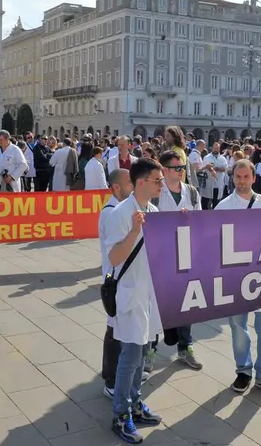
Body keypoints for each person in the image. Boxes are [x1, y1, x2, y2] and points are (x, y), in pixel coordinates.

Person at [215, 159, 261, 395]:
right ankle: (243, 371)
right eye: (238, 177)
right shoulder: (223, 207)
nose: (242, 181)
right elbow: (212, 242)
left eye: (246, 177)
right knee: (238, 326)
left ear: (254, 179)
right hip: (236, 277)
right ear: (232, 178)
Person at [104, 158, 164, 443]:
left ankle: (136, 404)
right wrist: (132, 233)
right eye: (157, 180)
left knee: (142, 355)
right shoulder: (120, 212)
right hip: (129, 294)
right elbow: (113, 258)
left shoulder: (152, 209)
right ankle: (120, 414)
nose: (162, 185)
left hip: (148, 293)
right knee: (129, 358)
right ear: (141, 182)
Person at [145, 150, 204, 372]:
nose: (181, 172)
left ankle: (185, 347)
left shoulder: (192, 192)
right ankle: (150, 350)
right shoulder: (156, 194)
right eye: (177, 168)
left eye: (182, 168)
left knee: (186, 305)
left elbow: (201, 222)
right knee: (157, 306)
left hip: (186, 256)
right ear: (165, 170)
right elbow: (148, 223)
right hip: (162, 257)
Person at [98, 169, 147, 400]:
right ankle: (110, 380)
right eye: (129, 183)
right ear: (117, 187)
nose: (132, 187)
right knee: (115, 332)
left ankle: (121, 379)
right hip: (117, 279)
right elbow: (115, 253)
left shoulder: (131, 209)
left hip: (128, 279)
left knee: (119, 332)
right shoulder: (113, 212)